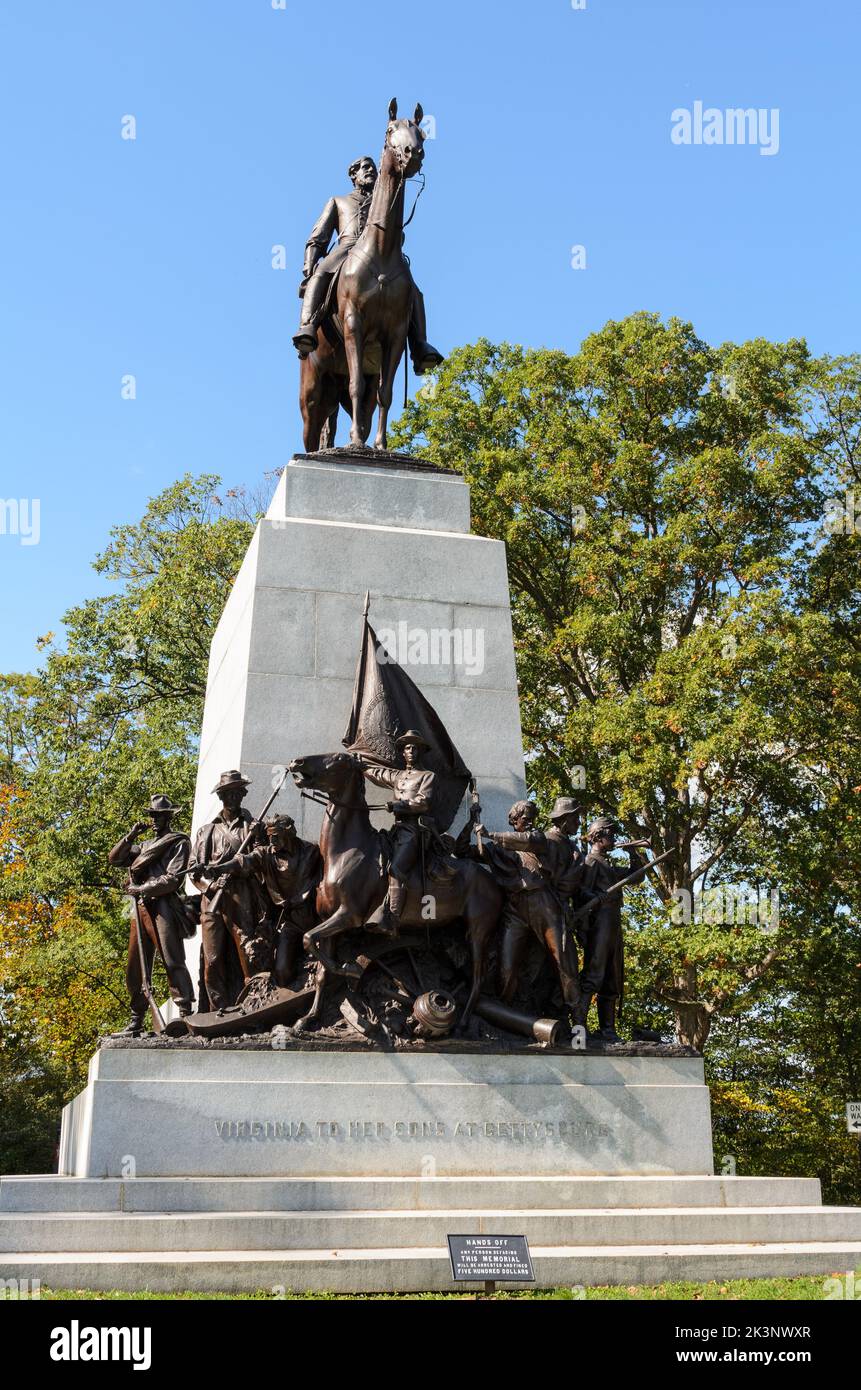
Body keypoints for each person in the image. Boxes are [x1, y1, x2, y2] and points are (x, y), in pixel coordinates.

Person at [293, 155, 443, 374]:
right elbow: (318, 237)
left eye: (373, 167)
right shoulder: (338, 201)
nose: (370, 171)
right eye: (364, 168)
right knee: (321, 274)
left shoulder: (384, 202)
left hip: (381, 255)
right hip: (346, 248)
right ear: (354, 175)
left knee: (413, 289)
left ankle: (419, 345)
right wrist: (310, 264)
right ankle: (308, 326)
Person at [475, 799, 588, 1019]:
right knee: (506, 967)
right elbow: (465, 851)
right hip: (514, 909)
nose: (530, 823)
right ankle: (503, 1019)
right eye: (525, 819)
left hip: (542, 902)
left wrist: (491, 834)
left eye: (533, 819)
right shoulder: (499, 849)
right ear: (514, 820)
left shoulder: (541, 838)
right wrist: (472, 820)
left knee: (563, 960)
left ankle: (578, 1019)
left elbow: (526, 840)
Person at [108, 794, 195, 1036]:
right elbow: (114, 858)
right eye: (152, 816)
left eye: (159, 815)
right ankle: (137, 1018)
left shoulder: (178, 842)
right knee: (135, 966)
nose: (155, 820)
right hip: (140, 909)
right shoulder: (143, 846)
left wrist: (140, 888)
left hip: (164, 907)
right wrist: (131, 835)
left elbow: (173, 879)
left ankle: (185, 1012)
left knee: (172, 959)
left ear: (168, 817)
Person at [190, 770, 271, 1011]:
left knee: (248, 954)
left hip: (242, 896)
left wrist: (258, 839)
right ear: (221, 796)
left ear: (243, 794)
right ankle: (218, 1009)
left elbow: (262, 860)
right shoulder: (207, 832)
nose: (233, 797)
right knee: (213, 959)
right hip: (212, 899)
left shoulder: (253, 827)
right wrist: (211, 886)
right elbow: (194, 872)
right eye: (228, 793)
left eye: (237, 792)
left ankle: (253, 1005)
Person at [210, 814, 321, 987]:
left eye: (276, 836)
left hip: (315, 920)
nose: (272, 841)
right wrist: (218, 868)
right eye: (269, 837)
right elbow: (242, 862)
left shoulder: (311, 851)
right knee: (282, 971)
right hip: (289, 922)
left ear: (288, 833)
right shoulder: (265, 854)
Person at [355, 730, 438, 935]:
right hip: (397, 830)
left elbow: (423, 802)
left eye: (415, 748)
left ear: (421, 752)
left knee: (397, 870)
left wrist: (399, 805)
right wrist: (359, 764)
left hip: (414, 831)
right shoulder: (398, 775)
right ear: (402, 753)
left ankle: (392, 920)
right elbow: (378, 774)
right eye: (407, 747)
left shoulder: (427, 776)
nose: (410, 751)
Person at [578, 816, 643, 1043]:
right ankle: (579, 1025)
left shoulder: (608, 865)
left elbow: (638, 876)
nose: (614, 839)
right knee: (594, 973)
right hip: (600, 921)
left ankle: (607, 1030)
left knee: (613, 976)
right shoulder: (591, 862)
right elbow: (580, 892)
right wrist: (595, 895)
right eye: (610, 835)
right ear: (598, 836)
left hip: (613, 921)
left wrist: (633, 852)